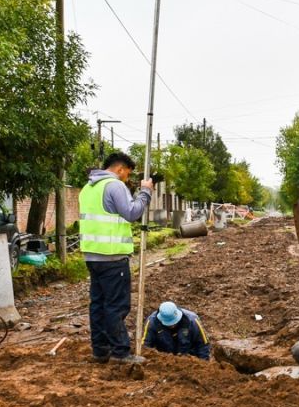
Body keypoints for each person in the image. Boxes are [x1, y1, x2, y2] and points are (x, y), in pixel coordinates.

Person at [80, 152, 152, 363]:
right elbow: (132, 213)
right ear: (120, 169)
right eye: (127, 174)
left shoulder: (88, 188)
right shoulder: (114, 186)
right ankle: (121, 352)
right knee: (116, 305)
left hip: (92, 256)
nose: (127, 179)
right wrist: (145, 192)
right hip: (112, 258)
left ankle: (100, 350)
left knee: (98, 304)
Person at [142, 300, 211, 360]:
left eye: (174, 322)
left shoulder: (192, 320)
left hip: (189, 360)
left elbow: (203, 345)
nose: (172, 326)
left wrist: (204, 364)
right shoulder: (152, 322)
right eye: (168, 324)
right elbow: (145, 346)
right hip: (165, 361)